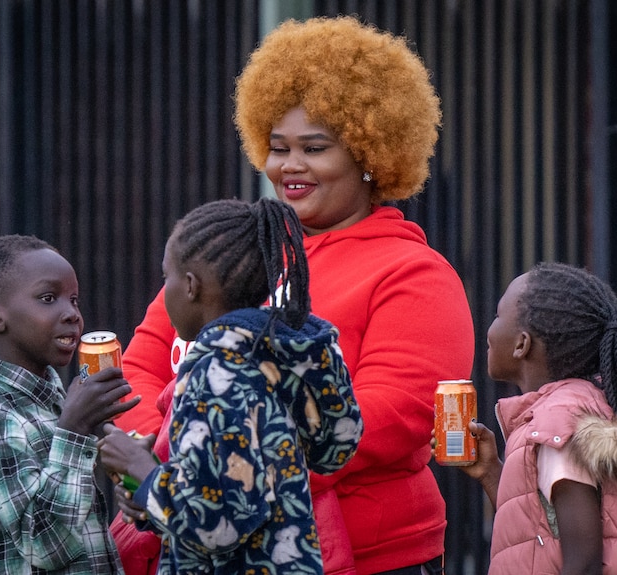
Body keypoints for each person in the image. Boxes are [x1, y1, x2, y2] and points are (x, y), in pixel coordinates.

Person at [113, 15, 475, 575]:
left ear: (370, 156)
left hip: (367, 556)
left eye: (315, 147)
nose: (290, 166)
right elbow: (141, 367)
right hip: (200, 536)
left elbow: (392, 417)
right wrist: (183, 452)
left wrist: (221, 452)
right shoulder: (231, 256)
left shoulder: (414, 273)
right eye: (278, 147)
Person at [98, 197, 363, 574]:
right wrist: (149, 497)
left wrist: (142, 470)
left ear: (190, 286)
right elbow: (334, 448)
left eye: (166, 278)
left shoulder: (216, 374)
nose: (165, 290)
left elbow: (217, 526)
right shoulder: (277, 355)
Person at [460, 262, 617, 574]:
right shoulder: (571, 411)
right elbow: (543, 528)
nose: (489, 328)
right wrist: (492, 473)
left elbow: (585, 561)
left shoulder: (559, 423)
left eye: (497, 315)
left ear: (522, 344)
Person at [0, 234, 140, 574]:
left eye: (74, 300)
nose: (72, 314)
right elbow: (45, 544)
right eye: (48, 298)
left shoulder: (53, 403)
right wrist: (76, 430)